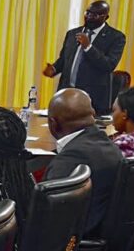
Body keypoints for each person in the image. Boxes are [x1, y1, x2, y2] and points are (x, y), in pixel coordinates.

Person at [44, 88, 125, 235]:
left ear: (53, 123)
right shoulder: (109, 145)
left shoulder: (68, 162)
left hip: (74, 244)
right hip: (105, 237)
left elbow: (46, 215)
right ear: (92, 115)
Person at [43, 0, 127, 115]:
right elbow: (64, 59)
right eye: (87, 13)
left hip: (92, 99)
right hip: (66, 94)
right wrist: (54, 69)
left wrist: (88, 47)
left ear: (105, 17)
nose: (89, 17)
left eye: (95, 15)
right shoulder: (73, 34)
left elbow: (109, 65)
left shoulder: (116, 37)